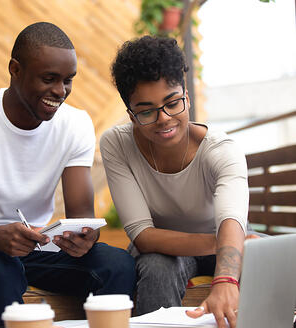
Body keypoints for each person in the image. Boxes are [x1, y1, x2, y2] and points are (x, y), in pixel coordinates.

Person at [0, 22, 136, 327]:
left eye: (68, 81)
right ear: (15, 69)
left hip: (40, 247)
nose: (60, 91)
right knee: (2, 272)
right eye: (49, 79)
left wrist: (85, 238)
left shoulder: (75, 124)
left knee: (117, 265)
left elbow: (83, 218)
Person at [101, 36, 255, 328]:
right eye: (146, 111)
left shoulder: (221, 151)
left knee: (269, 260)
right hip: (162, 247)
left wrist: (226, 276)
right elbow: (143, 235)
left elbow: (231, 220)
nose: (164, 118)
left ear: (186, 94)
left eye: (173, 103)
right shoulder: (116, 144)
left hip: (219, 237)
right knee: (159, 265)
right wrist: (227, 246)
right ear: (131, 114)